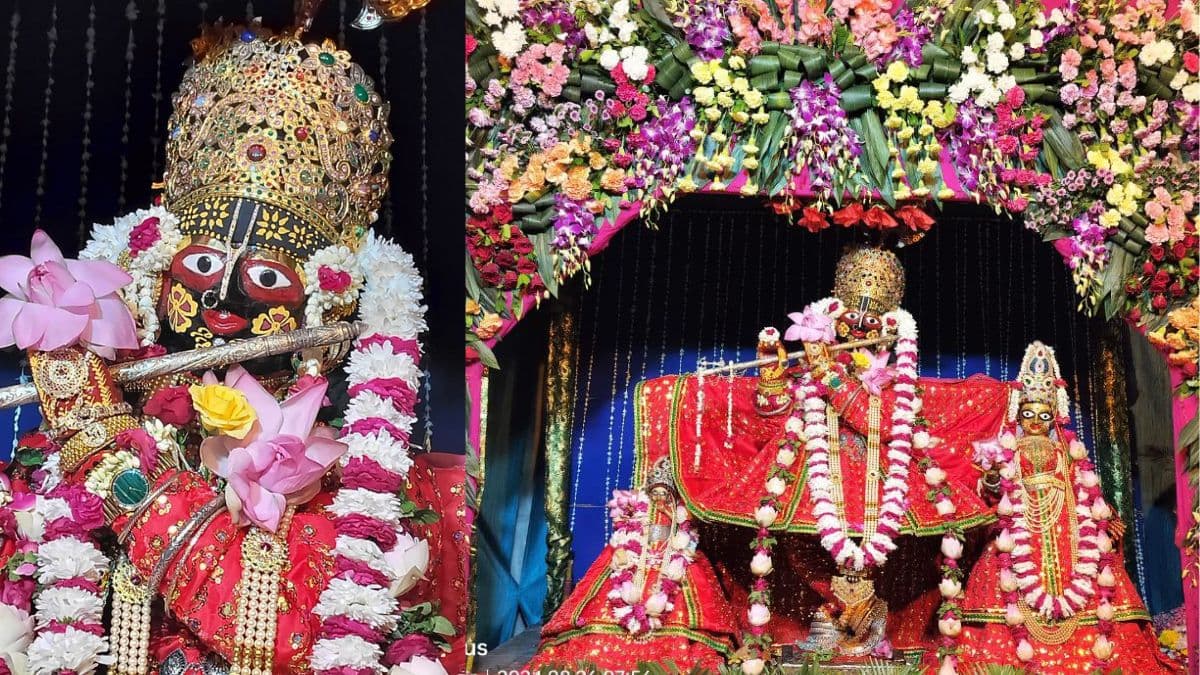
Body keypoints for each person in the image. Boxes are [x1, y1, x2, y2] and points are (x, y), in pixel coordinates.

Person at [958, 341, 1181, 673]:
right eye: (1028, 414)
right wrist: (991, 481)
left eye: (1044, 415)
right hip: (1020, 531)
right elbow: (990, 488)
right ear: (1018, 414)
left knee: (1091, 571)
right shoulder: (1007, 450)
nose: (1035, 422)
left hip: (1069, 531)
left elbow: (1087, 488)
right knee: (1006, 574)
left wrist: (1108, 517)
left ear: (1054, 417)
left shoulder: (1068, 451)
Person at [527, 459, 740, 671]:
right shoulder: (638, 511)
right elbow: (632, 533)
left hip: (672, 559)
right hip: (637, 559)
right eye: (655, 492)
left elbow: (680, 536)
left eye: (664, 492)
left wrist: (670, 535)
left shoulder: (680, 513)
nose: (659, 497)